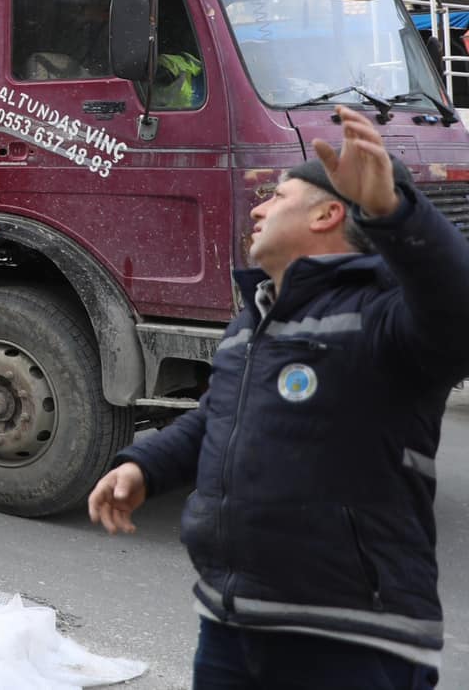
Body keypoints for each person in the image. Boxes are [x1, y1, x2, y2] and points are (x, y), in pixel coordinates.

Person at [88, 106, 469, 687]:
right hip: (230, 622)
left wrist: (394, 211)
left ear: (328, 212)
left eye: (277, 196)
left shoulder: (385, 318)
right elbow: (218, 416)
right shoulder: (251, 322)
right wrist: (145, 465)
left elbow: (458, 312)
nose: (258, 209)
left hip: (350, 636)